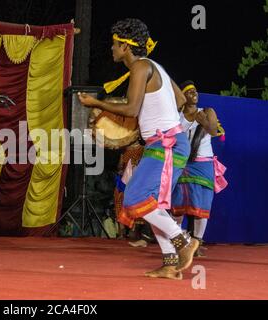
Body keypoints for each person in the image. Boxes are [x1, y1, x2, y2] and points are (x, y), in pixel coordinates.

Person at [78, 19, 199, 280]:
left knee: (134, 198)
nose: (111, 48)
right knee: (150, 204)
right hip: (167, 142)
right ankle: (170, 263)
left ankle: (184, 242)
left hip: (166, 144)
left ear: (126, 46)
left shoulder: (141, 66)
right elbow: (179, 100)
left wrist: (96, 103)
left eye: (114, 44)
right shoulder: (156, 67)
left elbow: (132, 109)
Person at [171, 81, 228, 257]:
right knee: (177, 205)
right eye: (188, 92)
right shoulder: (176, 116)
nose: (193, 93)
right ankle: (179, 243)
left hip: (203, 163)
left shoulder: (207, 111)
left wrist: (203, 121)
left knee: (202, 204)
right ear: (182, 97)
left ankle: (196, 243)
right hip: (181, 163)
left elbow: (213, 132)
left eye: (195, 90)